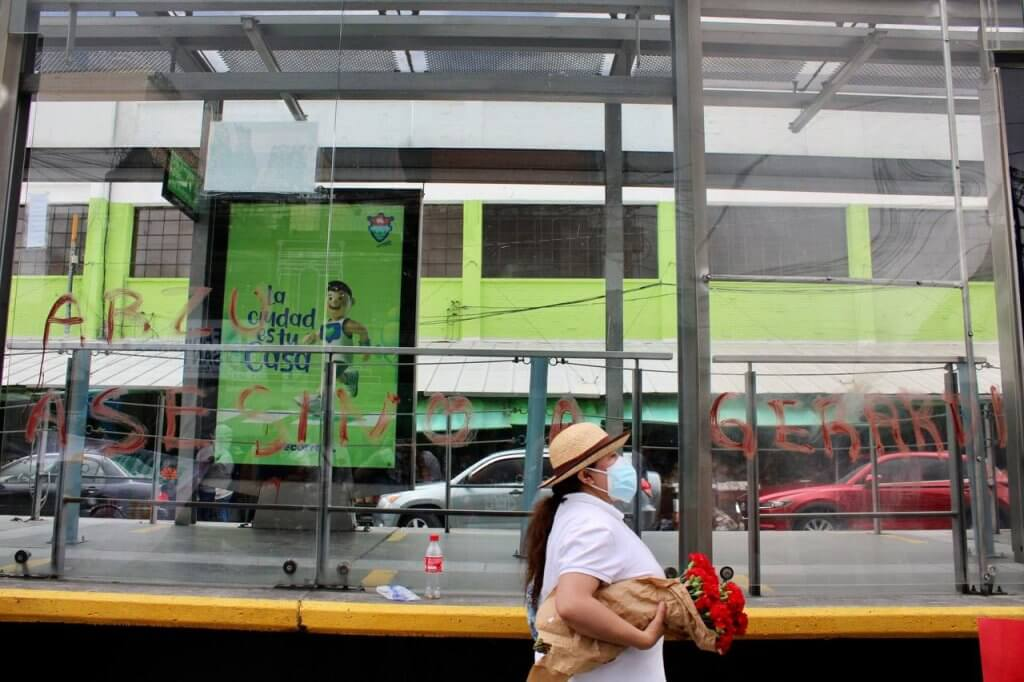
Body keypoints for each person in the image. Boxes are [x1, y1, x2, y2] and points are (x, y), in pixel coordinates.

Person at [524, 422, 667, 681]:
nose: (622, 463)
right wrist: (642, 639)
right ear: (586, 477)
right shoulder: (592, 525)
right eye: (611, 457)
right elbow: (572, 603)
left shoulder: (577, 515)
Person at [304, 280, 370, 397]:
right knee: (336, 375)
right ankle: (350, 378)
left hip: (342, 358)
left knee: (329, 376)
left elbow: (362, 330)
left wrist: (365, 350)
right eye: (330, 298)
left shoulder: (346, 324)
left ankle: (319, 397)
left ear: (351, 302)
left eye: (340, 298)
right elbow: (317, 335)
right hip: (328, 358)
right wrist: (311, 338)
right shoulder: (327, 324)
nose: (334, 301)